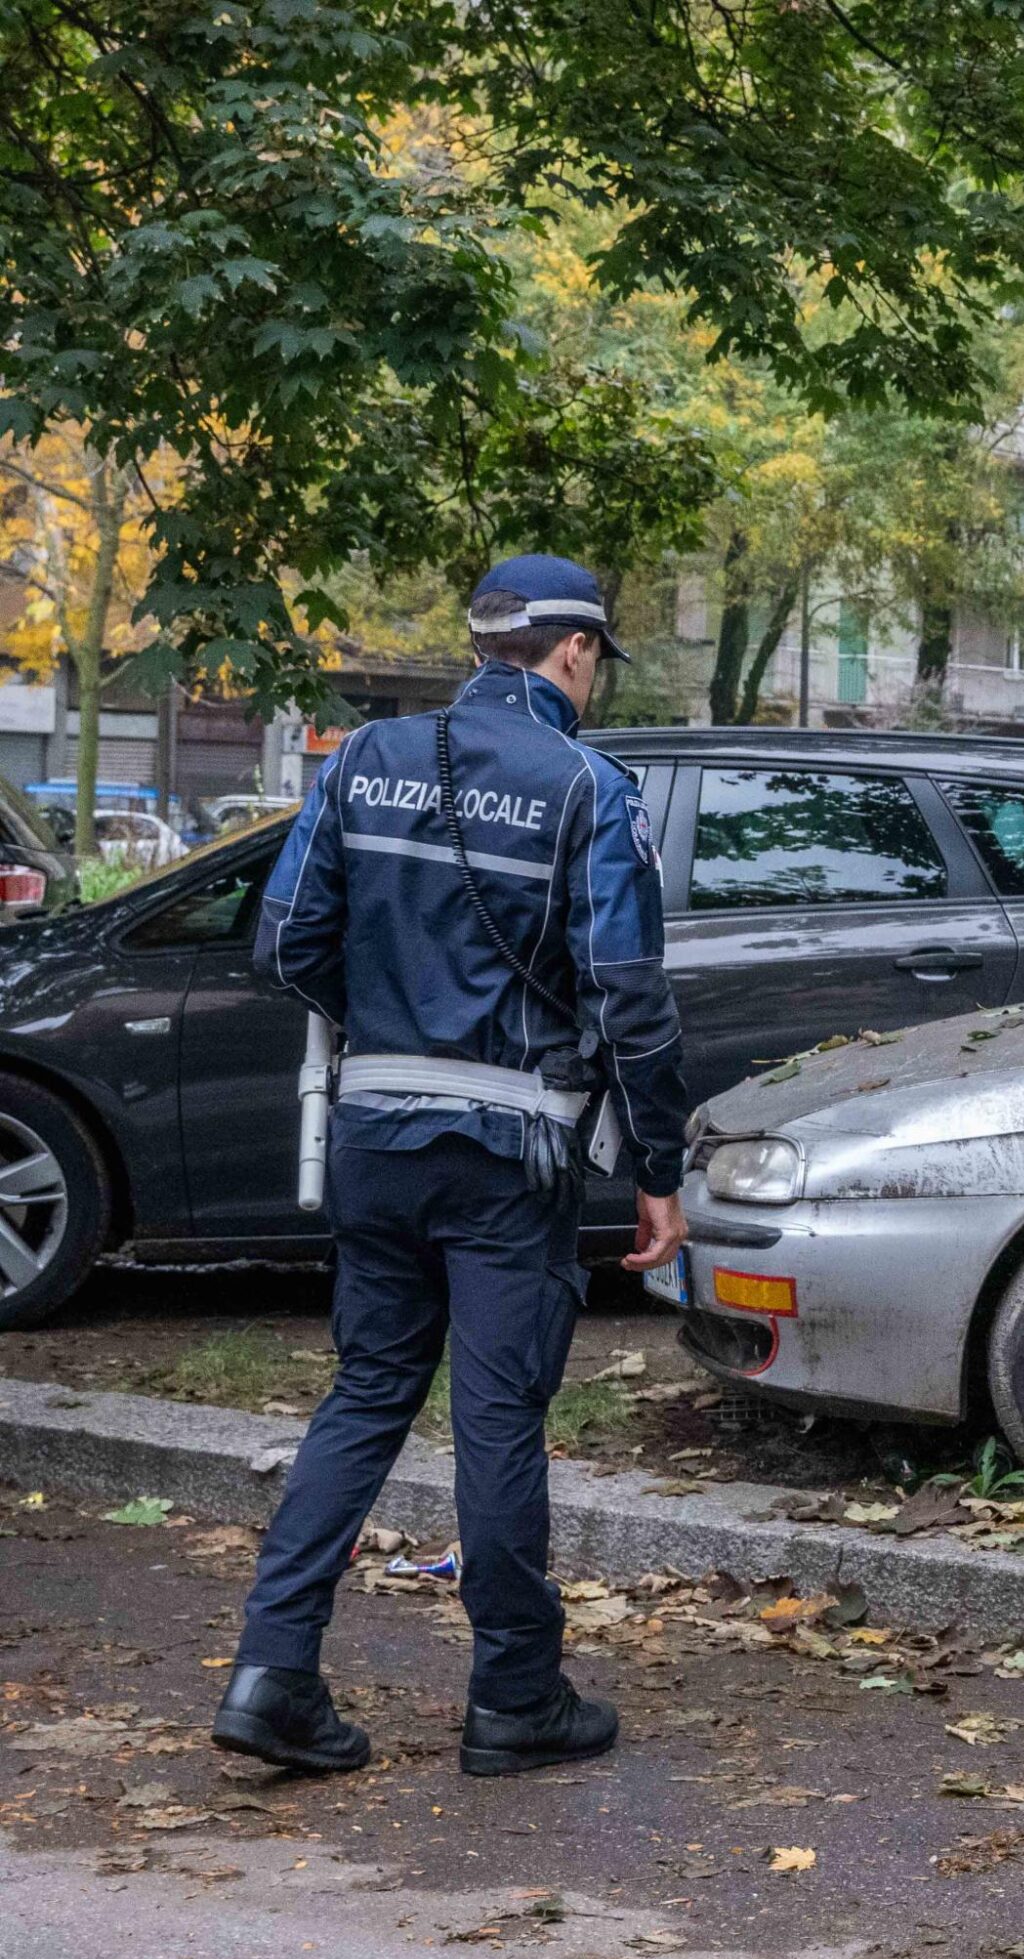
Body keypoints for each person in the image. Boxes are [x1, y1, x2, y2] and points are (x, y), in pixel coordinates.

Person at [215, 555, 690, 1779]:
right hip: (510, 1153)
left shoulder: (364, 755)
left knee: (366, 1394)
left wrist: (386, 1026)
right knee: (495, 1420)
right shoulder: (589, 786)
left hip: (374, 1135)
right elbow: (629, 995)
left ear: (486, 644)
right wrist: (656, 1162)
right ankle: (515, 1695)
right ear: (573, 650)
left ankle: (272, 1671)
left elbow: (285, 942)